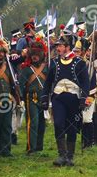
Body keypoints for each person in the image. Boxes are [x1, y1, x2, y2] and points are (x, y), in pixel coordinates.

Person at [41, 33, 90, 166]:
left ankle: (70, 156)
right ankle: (61, 155)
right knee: (58, 123)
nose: (58, 48)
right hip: (58, 99)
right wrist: (45, 97)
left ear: (68, 47)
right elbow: (48, 82)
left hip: (74, 99)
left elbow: (86, 83)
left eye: (60, 45)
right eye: (57, 46)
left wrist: (84, 98)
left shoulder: (80, 63)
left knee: (72, 127)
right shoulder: (55, 63)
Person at [18, 38, 48, 154]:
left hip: (43, 97)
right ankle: (31, 148)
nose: (35, 57)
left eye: (37, 54)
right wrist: (20, 98)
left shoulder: (46, 67)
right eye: (33, 54)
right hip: (31, 98)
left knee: (41, 123)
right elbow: (20, 85)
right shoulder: (26, 69)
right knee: (33, 122)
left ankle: (39, 146)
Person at [0, 35, 16, 157]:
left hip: (7, 99)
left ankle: (5, 150)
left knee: (6, 125)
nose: (0, 54)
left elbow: (13, 83)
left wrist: (16, 96)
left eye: (2, 52)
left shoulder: (9, 66)